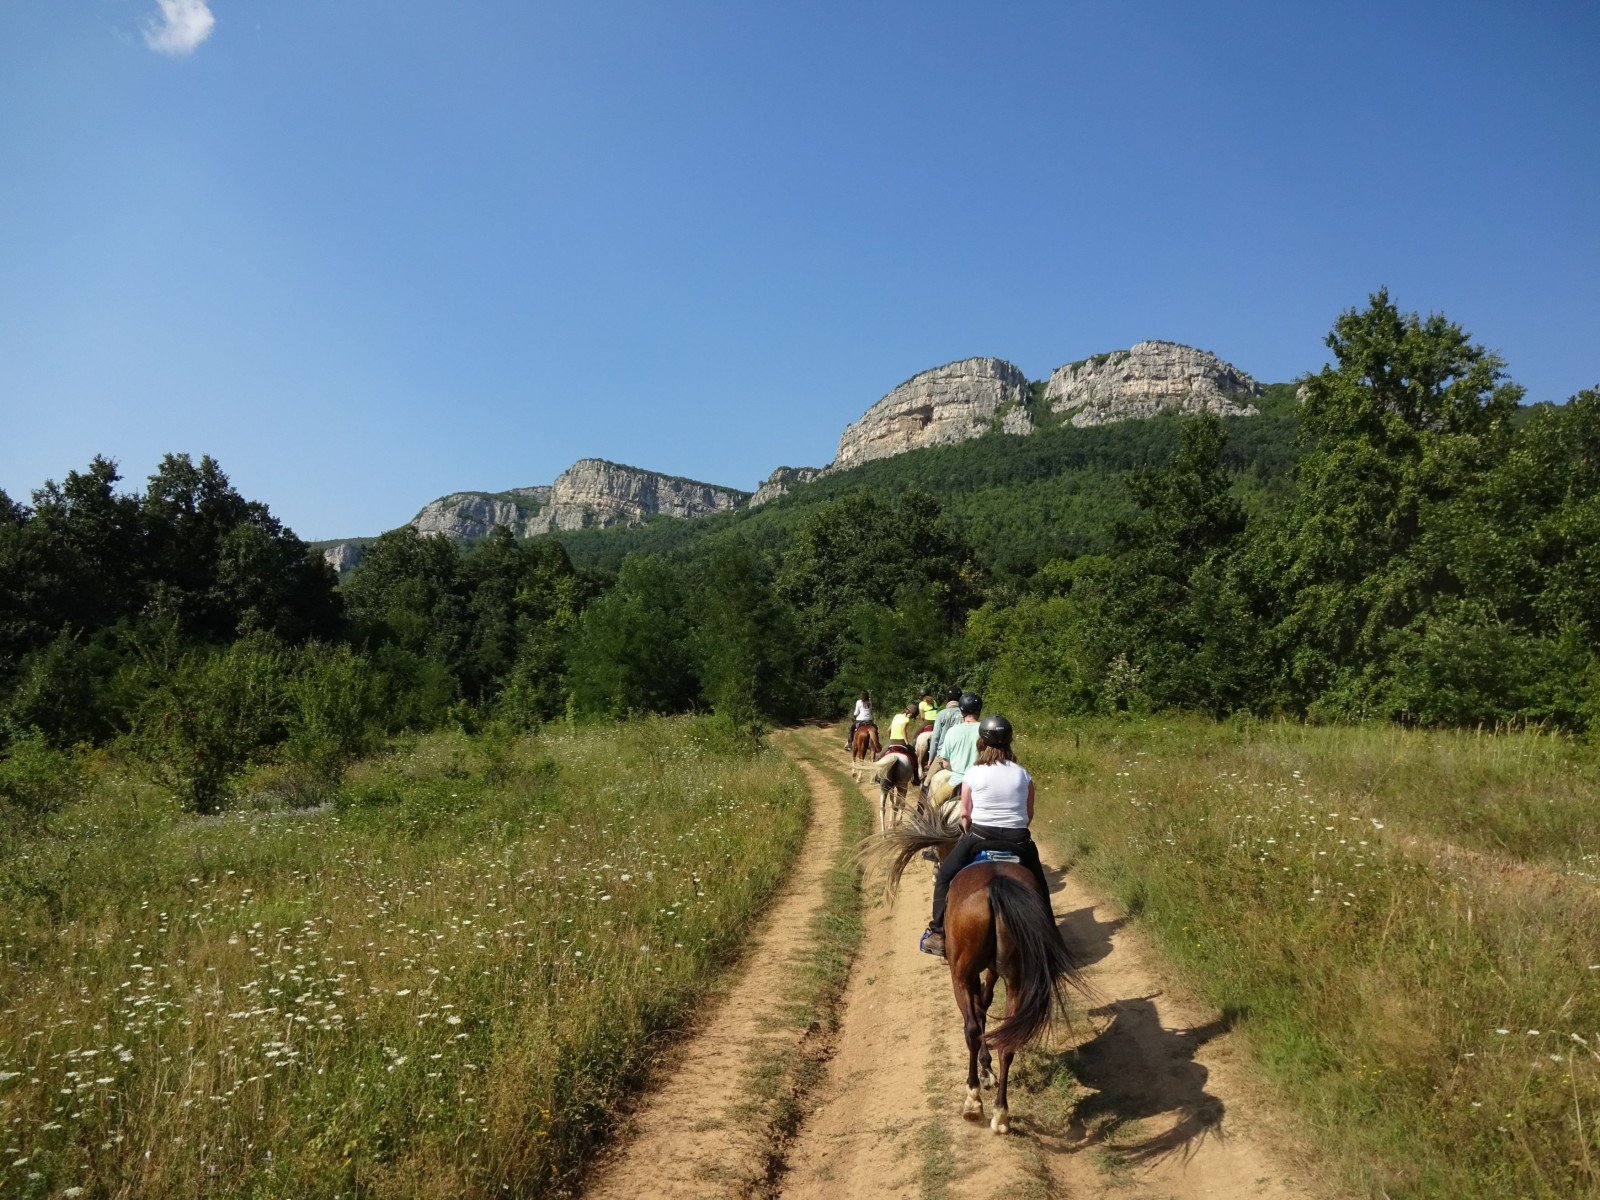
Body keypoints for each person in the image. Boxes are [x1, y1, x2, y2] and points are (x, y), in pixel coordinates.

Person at [920, 714, 1052, 958]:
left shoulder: (973, 773)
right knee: (1040, 884)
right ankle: (1049, 933)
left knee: (945, 875)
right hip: (1019, 840)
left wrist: (970, 829)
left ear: (982, 742)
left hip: (980, 836)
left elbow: (965, 815)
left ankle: (938, 931)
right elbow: (1028, 813)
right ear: (1009, 743)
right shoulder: (1023, 774)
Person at [925, 691, 981, 808]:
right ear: (979, 710)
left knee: (932, 805)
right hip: (980, 784)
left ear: (961, 711)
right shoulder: (985, 730)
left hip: (957, 782)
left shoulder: (952, 731)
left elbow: (945, 764)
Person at [925, 688, 963, 781]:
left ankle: (923, 792)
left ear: (947, 699)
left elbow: (935, 738)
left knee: (927, 782)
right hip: (961, 753)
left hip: (942, 754)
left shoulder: (941, 714)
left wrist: (931, 758)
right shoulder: (964, 714)